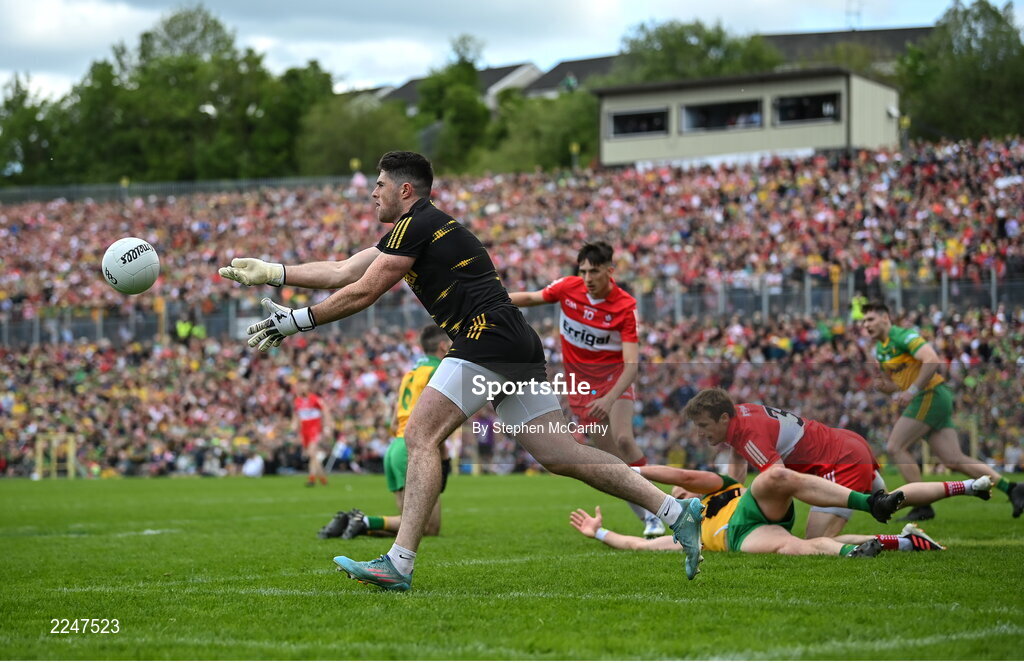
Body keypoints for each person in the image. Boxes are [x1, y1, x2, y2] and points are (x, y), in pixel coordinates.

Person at [219, 150, 705, 590]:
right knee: (564, 456)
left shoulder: (417, 225)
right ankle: (674, 510)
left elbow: (364, 292)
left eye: (380, 185)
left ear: (405, 190)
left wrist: (296, 321)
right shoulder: (417, 228)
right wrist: (274, 271)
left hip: (485, 339)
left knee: (421, 436)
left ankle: (400, 562)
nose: (373, 193)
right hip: (512, 342)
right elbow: (345, 271)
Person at [681, 388, 992, 539]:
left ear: (724, 418)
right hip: (847, 444)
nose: (701, 432)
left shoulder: (748, 434)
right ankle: (968, 485)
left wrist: (748, 508)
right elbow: (738, 465)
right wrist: (735, 495)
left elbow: (779, 479)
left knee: (816, 544)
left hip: (838, 461)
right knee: (890, 499)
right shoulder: (741, 414)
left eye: (704, 425)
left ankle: (904, 541)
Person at [508, 241, 663, 538]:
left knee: (624, 440)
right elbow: (530, 297)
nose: (588, 277)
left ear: (610, 271)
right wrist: (489, 300)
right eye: (583, 271)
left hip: (614, 382)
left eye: (594, 271)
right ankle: (651, 516)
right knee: (612, 461)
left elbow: (631, 365)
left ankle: (662, 507)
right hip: (581, 389)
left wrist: (609, 398)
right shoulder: (568, 287)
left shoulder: (625, 306)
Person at [570, 464, 973, 556]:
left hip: (754, 504)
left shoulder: (715, 487)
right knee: (799, 547)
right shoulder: (683, 538)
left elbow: (678, 473)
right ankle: (899, 543)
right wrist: (599, 533)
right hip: (742, 536)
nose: (674, 491)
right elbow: (637, 546)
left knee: (774, 478)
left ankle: (871, 504)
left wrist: (625, 472)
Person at [861, 301, 1024, 520]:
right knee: (953, 459)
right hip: (932, 397)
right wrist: (884, 387)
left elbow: (931, 360)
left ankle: (921, 504)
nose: (866, 324)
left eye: (870, 319)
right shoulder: (880, 350)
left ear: (885, 318)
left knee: (895, 446)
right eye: (863, 321)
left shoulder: (902, 335)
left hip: (930, 395)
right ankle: (1012, 488)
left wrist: (912, 390)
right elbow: (898, 384)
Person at [319, 325, 453, 540]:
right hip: (415, 447)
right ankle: (363, 521)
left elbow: (393, 419)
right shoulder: (440, 371)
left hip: (395, 448)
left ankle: (356, 524)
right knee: (427, 527)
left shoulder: (411, 372)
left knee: (409, 527)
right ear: (443, 346)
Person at [292, 384, 331, 487]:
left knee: (311, 452)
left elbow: (325, 411)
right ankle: (322, 478)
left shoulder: (315, 399)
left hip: (314, 429)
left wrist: (327, 426)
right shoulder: (297, 401)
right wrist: (294, 426)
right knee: (312, 456)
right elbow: (296, 416)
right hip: (304, 431)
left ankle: (312, 479)